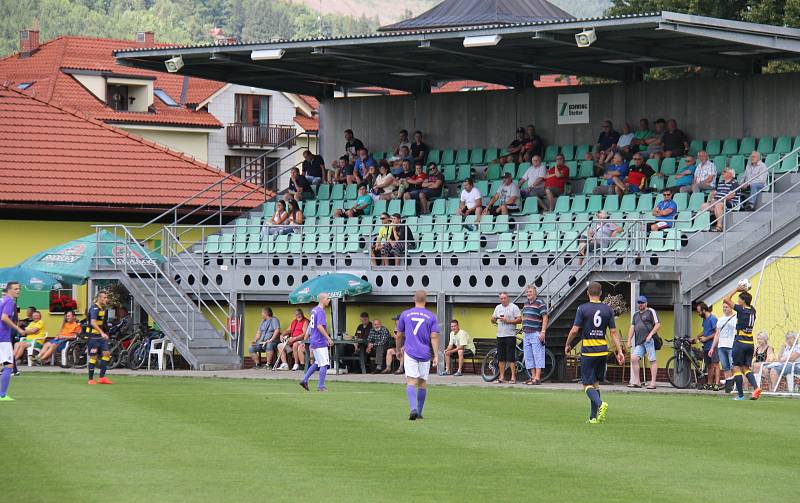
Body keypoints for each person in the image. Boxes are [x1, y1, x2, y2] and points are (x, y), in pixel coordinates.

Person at [565, 282, 625, 424]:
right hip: (602, 351)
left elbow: (574, 330)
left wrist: (568, 344)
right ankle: (593, 418)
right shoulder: (608, 309)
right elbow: (614, 332)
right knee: (595, 384)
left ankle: (600, 404)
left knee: (586, 384)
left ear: (587, 293)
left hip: (588, 352)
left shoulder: (582, 308)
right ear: (601, 293)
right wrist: (620, 351)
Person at [396, 290, 440, 420]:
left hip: (410, 352)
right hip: (425, 353)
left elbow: (399, 334)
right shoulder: (431, 316)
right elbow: (434, 336)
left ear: (414, 299)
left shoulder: (405, 314)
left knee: (411, 381)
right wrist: (436, 355)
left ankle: (413, 408)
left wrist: (398, 349)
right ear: (426, 300)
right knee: (422, 383)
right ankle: (419, 412)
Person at [722, 286, 761, 400]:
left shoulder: (741, 309)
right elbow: (747, 301)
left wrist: (736, 289)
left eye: (739, 299)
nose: (738, 301)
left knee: (736, 368)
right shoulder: (753, 310)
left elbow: (726, 299)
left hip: (740, 343)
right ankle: (756, 388)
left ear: (743, 301)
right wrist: (746, 291)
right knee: (745, 368)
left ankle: (740, 395)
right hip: (750, 344)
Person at [299, 293, 333, 392]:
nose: (329, 300)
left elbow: (311, 325)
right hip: (319, 340)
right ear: (322, 300)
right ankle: (321, 386)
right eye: (327, 298)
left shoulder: (314, 310)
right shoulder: (321, 311)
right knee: (325, 364)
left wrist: (307, 336)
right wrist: (328, 338)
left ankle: (304, 380)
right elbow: (319, 326)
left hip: (313, 339)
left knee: (318, 363)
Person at [627, 296, 661, 389]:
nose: (640, 304)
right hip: (640, 341)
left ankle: (653, 383)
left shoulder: (651, 311)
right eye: (639, 303)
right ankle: (637, 382)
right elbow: (632, 327)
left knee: (652, 360)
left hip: (649, 340)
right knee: (634, 358)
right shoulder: (636, 315)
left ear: (646, 303)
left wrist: (650, 335)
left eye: (642, 302)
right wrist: (629, 340)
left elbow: (658, 324)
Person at [1, 282, 25, 401]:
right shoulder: (10, 301)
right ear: (9, 290)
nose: (18, 291)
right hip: (3, 338)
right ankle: (2, 395)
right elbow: (4, 317)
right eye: (15, 289)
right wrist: (18, 328)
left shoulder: (2, 300)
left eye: (19, 288)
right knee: (9, 365)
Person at [491, 292, 522, 384]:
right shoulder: (498, 307)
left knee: (511, 357)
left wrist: (508, 321)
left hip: (510, 335)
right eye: (501, 298)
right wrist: (493, 319)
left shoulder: (514, 307)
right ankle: (502, 377)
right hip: (500, 335)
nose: (503, 300)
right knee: (501, 357)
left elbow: (520, 319)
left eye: (504, 298)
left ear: (508, 298)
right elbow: (492, 319)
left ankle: (513, 377)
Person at [521, 286, 549, 385]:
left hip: (536, 333)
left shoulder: (540, 303)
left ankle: (537, 378)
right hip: (526, 333)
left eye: (530, 291)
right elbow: (524, 316)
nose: (528, 293)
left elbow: (545, 317)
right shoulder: (525, 304)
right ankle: (532, 377)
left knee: (538, 356)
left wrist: (543, 332)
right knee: (528, 356)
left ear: (535, 293)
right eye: (527, 292)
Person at [708, 301, 737, 393]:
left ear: (731, 308)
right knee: (725, 366)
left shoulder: (736, 318)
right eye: (723, 307)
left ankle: (735, 384)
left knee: (733, 366)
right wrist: (712, 347)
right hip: (721, 345)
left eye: (726, 307)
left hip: (731, 345)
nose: (725, 309)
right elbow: (717, 334)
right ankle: (728, 386)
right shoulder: (720, 319)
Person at [85, 291, 113, 385]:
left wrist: (106, 331)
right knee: (93, 357)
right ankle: (90, 379)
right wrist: (102, 333)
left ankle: (102, 378)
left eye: (106, 297)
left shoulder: (103, 308)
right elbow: (93, 322)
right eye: (104, 298)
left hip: (101, 337)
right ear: (99, 298)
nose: (106, 299)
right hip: (93, 337)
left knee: (106, 354)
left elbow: (101, 322)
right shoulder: (94, 308)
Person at [701, 168, 739, 232]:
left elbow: (731, 195)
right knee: (703, 206)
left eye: (724, 171)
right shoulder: (720, 182)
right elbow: (714, 193)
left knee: (718, 205)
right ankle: (707, 224)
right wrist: (712, 199)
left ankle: (719, 226)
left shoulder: (734, 183)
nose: (722, 173)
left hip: (728, 202)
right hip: (717, 201)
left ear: (730, 174)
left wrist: (720, 200)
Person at [694, 302, 719, 390]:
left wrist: (706, 338)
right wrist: (697, 336)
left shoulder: (713, 319)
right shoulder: (704, 319)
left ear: (704, 310)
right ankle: (709, 383)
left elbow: (716, 332)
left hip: (713, 345)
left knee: (715, 364)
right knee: (709, 365)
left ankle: (716, 384)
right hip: (706, 346)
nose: (698, 313)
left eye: (699, 311)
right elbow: (705, 330)